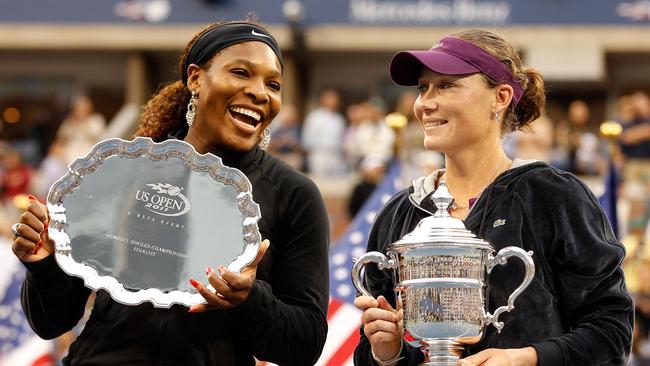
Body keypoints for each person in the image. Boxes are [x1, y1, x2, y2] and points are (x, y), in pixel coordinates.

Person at [10, 19, 330, 366]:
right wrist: (44, 265)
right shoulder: (122, 171)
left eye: (273, 84)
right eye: (241, 72)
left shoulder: (294, 194)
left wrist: (249, 300)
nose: (260, 92)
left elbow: (305, 344)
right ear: (196, 78)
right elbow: (51, 322)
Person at [353, 29, 633, 366]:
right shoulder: (399, 212)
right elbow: (368, 353)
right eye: (422, 88)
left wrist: (526, 358)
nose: (425, 103)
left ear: (499, 97)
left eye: (446, 85)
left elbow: (612, 332)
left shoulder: (553, 195)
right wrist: (386, 352)